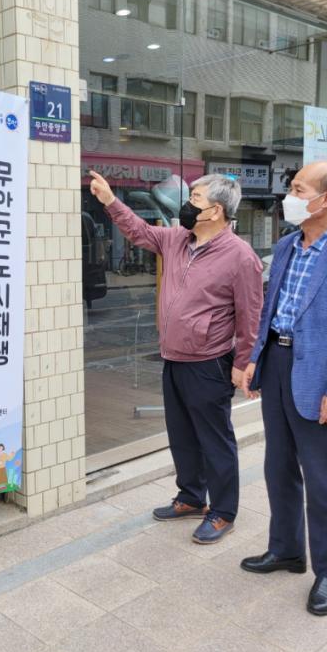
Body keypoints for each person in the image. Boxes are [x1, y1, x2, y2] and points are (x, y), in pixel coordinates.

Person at [90, 170, 263, 544]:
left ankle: (223, 512)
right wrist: (110, 201)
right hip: (173, 357)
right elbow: (139, 231)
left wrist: (243, 364)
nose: (187, 205)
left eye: (195, 199)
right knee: (182, 434)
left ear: (215, 210)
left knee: (214, 439)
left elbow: (251, 316)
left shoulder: (240, 256)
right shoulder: (177, 240)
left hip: (209, 362)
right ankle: (191, 497)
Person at [240, 162, 327, 616]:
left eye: (299, 190)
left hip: (322, 378)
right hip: (279, 365)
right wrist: (254, 360)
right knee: (278, 467)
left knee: (324, 480)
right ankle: (285, 549)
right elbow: (270, 310)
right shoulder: (286, 246)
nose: (290, 197)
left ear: (326, 200)